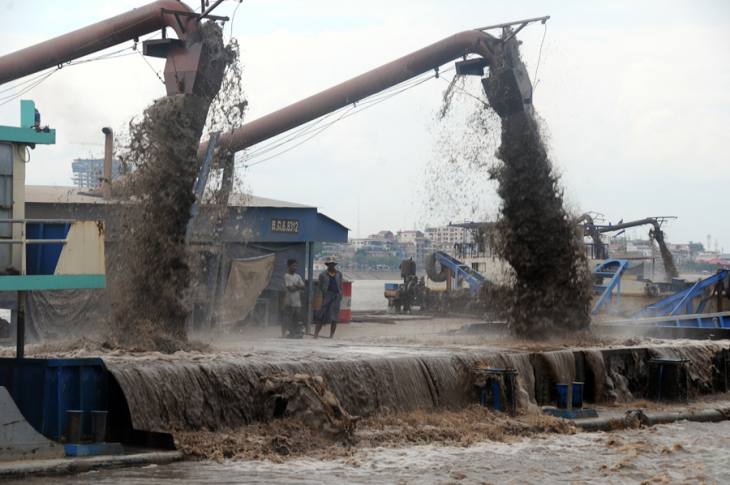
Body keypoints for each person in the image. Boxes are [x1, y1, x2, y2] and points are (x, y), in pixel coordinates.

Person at [315, 256, 343, 338]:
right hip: (327, 295)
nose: (331, 265)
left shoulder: (339, 274)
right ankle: (316, 335)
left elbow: (340, 286)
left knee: (334, 317)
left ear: (335, 265)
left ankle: (331, 336)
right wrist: (324, 294)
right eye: (330, 264)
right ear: (327, 265)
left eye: (333, 264)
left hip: (336, 296)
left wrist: (340, 295)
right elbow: (320, 286)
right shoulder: (322, 274)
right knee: (321, 315)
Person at [282, 258, 305, 338]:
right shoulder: (286, 276)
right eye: (293, 266)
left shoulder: (298, 276)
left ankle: (294, 333)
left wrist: (296, 286)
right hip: (289, 301)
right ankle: (284, 333)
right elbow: (290, 289)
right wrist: (298, 286)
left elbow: (303, 286)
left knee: (297, 318)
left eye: (296, 266)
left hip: (297, 302)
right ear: (288, 266)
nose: (295, 268)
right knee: (288, 318)